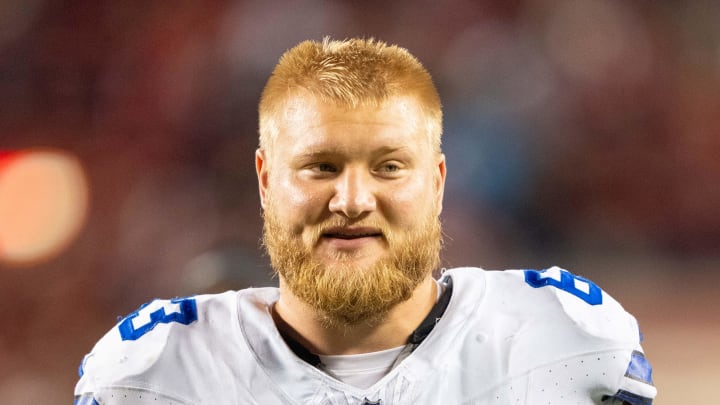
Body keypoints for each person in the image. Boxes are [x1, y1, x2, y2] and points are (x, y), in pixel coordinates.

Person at [74, 38, 656, 405]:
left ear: (437, 180)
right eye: (320, 166)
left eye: (389, 168)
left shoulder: (565, 343)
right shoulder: (153, 372)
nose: (352, 200)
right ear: (266, 178)